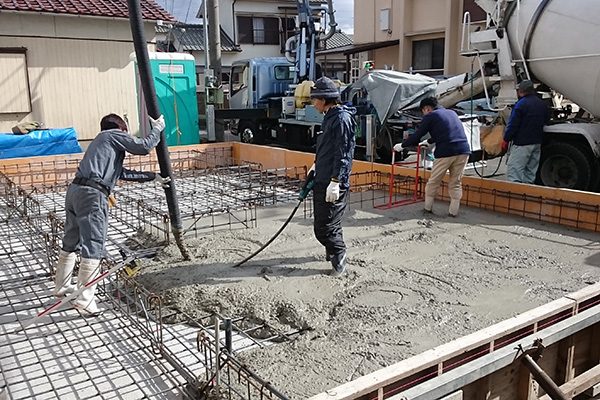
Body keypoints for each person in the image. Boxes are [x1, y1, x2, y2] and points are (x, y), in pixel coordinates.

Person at [53, 113, 170, 315]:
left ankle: (62, 287)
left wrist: (153, 177)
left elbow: (122, 173)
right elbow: (143, 147)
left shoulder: (102, 146)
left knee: (71, 240)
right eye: (125, 130)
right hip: (93, 195)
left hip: (75, 191)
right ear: (119, 127)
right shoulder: (112, 134)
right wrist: (157, 129)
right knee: (94, 244)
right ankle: (85, 299)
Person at [309, 77, 356, 276]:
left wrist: (336, 181)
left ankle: (339, 254)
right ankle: (333, 251)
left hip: (332, 181)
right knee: (327, 222)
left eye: (314, 100)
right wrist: (315, 165)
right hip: (323, 177)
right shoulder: (330, 116)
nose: (313, 104)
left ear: (325, 99)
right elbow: (327, 147)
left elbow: (344, 153)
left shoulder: (341, 119)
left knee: (324, 227)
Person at [394, 97, 471, 216]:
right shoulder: (451, 113)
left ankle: (427, 209)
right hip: (464, 151)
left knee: (434, 181)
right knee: (456, 182)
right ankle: (453, 212)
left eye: (423, 111)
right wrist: (430, 141)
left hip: (446, 152)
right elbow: (446, 132)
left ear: (426, 108)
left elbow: (417, 135)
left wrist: (402, 146)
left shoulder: (430, 116)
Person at [502, 79, 550, 184]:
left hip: (522, 143)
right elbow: (547, 119)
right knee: (530, 173)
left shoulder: (521, 104)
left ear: (521, 91)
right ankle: (528, 195)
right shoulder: (541, 104)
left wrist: (506, 139)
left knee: (515, 172)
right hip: (537, 143)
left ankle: (515, 195)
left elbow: (513, 125)